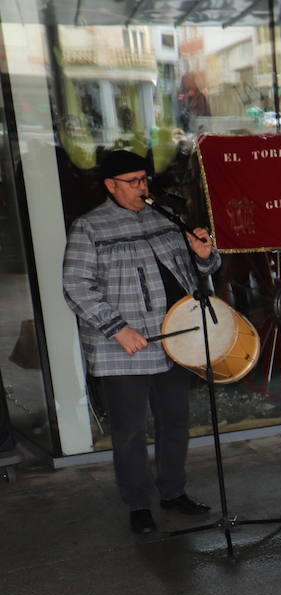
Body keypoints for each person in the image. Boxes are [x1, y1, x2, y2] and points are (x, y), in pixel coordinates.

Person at [62, 149, 218, 535]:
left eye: (144, 179)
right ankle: (137, 504)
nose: (141, 188)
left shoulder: (164, 217)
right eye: (132, 182)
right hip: (125, 348)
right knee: (131, 432)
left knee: (175, 423)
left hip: (171, 341)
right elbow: (76, 287)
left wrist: (203, 256)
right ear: (110, 186)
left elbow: (197, 270)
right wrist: (117, 328)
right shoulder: (90, 228)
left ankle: (172, 492)